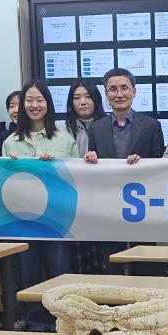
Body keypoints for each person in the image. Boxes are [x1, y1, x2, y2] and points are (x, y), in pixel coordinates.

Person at [2, 80, 78, 331]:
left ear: (48, 103)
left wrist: (56, 167)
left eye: (40, 100)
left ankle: (62, 322)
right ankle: (34, 322)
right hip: (24, 221)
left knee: (60, 273)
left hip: (57, 220)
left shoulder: (65, 140)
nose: (34, 105)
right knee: (29, 274)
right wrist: (9, 167)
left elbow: (78, 179)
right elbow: (2, 183)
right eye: (29, 100)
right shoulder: (10, 142)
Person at [83, 68, 164, 271]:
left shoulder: (152, 126)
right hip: (109, 209)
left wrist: (145, 163)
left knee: (145, 266)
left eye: (124, 88)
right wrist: (89, 159)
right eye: (113, 89)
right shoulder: (96, 128)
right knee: (112, 266)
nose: (119, 94)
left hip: (144, 210)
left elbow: (161, 167)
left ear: (134, 92)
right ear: (106, 94)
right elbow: (93, 167)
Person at [64, 78, 108, 273]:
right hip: (73, 201)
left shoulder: (109, 126)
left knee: (103, 255)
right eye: (77, 98)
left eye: (88, 96)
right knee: (78, 257)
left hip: (103, 199)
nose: (82, 102)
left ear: (96, 99)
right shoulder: (62, 131)